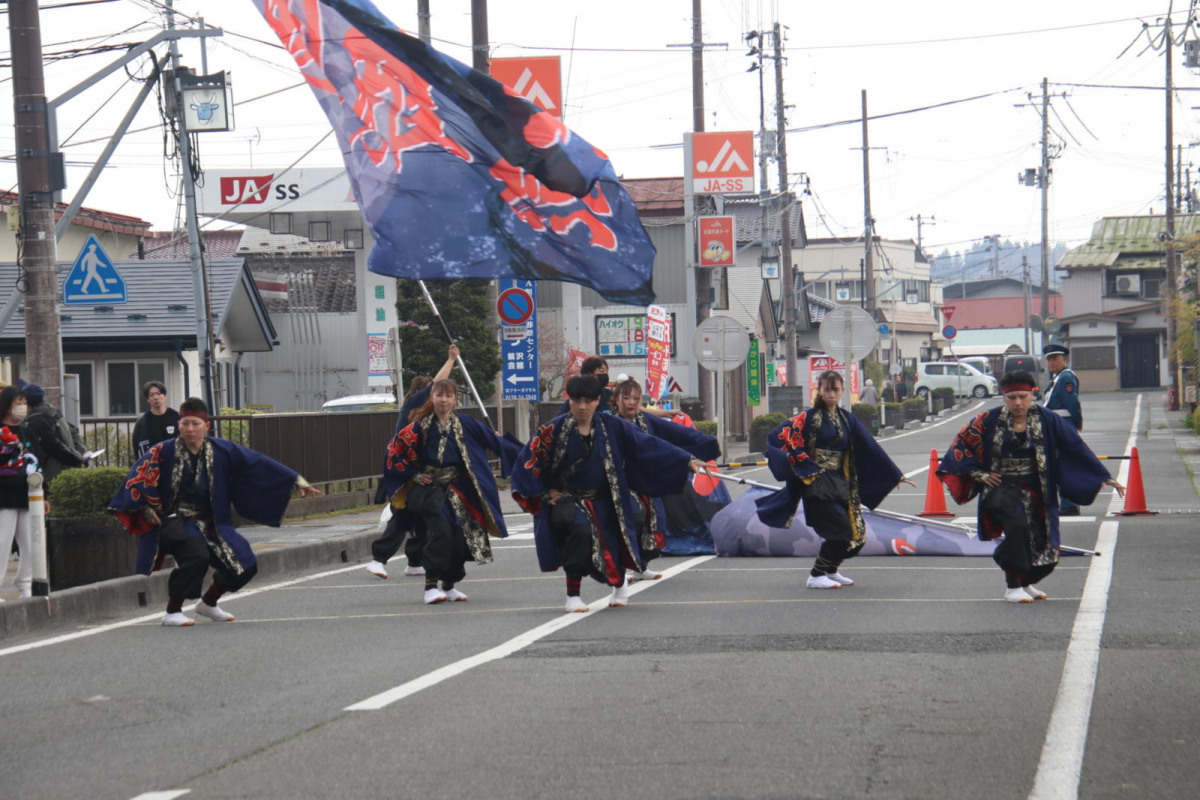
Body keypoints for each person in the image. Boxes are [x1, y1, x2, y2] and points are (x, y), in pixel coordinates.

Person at [108, 397, 320, 626]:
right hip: (176, 521)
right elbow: (136, 479)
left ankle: (209, 602)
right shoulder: (162, 451)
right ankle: (172, 611)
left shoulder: (221, 449)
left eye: (195, 424)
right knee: (196, 556)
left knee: (246, 564)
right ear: (179, 424)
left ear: (206, 426)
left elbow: (257, 462)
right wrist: (146, 507)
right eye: (185, 423)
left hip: (213, 521)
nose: (190, 429)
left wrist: (296, 480)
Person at [513, 375, 709, 612]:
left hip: (609, 497)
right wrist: (543, 494)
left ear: (598, 401)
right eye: (577, 400)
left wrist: (687, 460)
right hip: (570, 498)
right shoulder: (553, 430)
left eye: (588, 400)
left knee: (633, 522)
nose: (582, 406)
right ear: (570, 400)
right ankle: (573, 595)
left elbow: (649, 444)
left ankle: (620, 584)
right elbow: (528, 460)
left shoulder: (614, 427)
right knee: (577, 530)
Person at [937, 371, 1124, 604]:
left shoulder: (1048, 419)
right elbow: (961, 445)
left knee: (1046, 540)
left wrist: (1102, 476)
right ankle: (1012, 586)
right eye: (1012, 397)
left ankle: (1026, 582)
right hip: (1001, 488)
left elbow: (1075, 446)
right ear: (1004, 397)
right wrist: (980, 474)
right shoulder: (987, 419)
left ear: (1031, 395)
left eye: (1023, 397)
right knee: (1018, 530)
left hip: (1038, 487)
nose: (1017, 402)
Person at [755, 370, 916, 589]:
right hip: (816, 483)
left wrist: (894, 474)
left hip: (841, 482)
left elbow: (869, 446)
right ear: (819, 390)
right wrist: (805, 465)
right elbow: (779, 437)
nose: (831, 394)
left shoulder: (846, 418)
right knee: (839, 530)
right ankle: (816, 575)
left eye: (835, 389)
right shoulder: (808, 418)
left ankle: (831, 570)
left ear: (842, 391)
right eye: (827, 389)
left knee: (855, 533)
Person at [383, 378, 518, 604]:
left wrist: (528, 458)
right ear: (432, 397)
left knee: (460, 541)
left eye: (448, 396)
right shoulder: (420, 426)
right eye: (439, 395)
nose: (443, 400)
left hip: (462, 491)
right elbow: (394, 452)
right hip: (432, 492)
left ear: (456, 400)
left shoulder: (468, 424)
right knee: (440, 533)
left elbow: (498, 445)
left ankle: (449, 584)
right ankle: (430, 587)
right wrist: (413, 474)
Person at [610, 378, 722, 580]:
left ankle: (641, 567)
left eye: (636, 398)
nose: (631, 402)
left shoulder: (644, 420)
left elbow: (675, 433)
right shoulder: (608, 423)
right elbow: (652, 445)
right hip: (618, 484)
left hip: (646, 481)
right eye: (625, 397)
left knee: (654, 524)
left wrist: (708, 444)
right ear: (616, 400)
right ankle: (624, 568)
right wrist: (685, 459)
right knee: (631, 521)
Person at [366, 344, 460, 580]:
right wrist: (450, 360)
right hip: (403, 466)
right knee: (404, 512)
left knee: (423, 513)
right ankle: (378, 558)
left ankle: (415, 561)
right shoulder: (413, 408)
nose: (440, 398)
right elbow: (439, 382)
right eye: (435, 393)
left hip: (421, 468)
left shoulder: (431, 416)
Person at [0, 386, 46, 600]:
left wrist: (46, 494)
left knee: (31, 541)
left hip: (30, 494)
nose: (22, 407)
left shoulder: (27, 430)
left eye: (24, 403)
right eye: (18, 402)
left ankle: (25, 583)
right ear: (7, 405)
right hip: (4, 495)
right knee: (3, 542)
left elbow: (38, 463)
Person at [556, 356, 679, 419]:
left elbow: (637, 409)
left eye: (606, 371)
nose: (583, 406)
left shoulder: (609, 395)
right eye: (601, 371)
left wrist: (665, 413)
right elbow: (556, 423)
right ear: (589, 374)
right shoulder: (574, 401)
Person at [18, 382, 86, 495]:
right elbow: (73, 431)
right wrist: (81, 453)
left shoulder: (37, 420)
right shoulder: (53, 412)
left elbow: (53, 446)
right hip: (67, 468)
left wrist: (77, 460)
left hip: (53, 473)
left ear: (27, 402)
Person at [1042, 343, 1083, 516]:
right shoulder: (1057, 378)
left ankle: (1068, 504)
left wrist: (1077, 422)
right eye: (1049, 359)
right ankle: (1067, 502)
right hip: (1055, 424)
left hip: (1062, 424)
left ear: (1064, 359)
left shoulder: (1065, 377)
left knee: (1062, 465)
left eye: (1055, 359)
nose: (1052, 363)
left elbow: (1071, 403)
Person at [132, 381, 181, 459]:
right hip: (153, 466)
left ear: (165, 396)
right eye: (151, 395)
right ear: (147, 399)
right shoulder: (143, 422)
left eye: (158, 394)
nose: (155, 397)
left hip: (175, 465)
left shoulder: (177, 418)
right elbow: (138, 449)